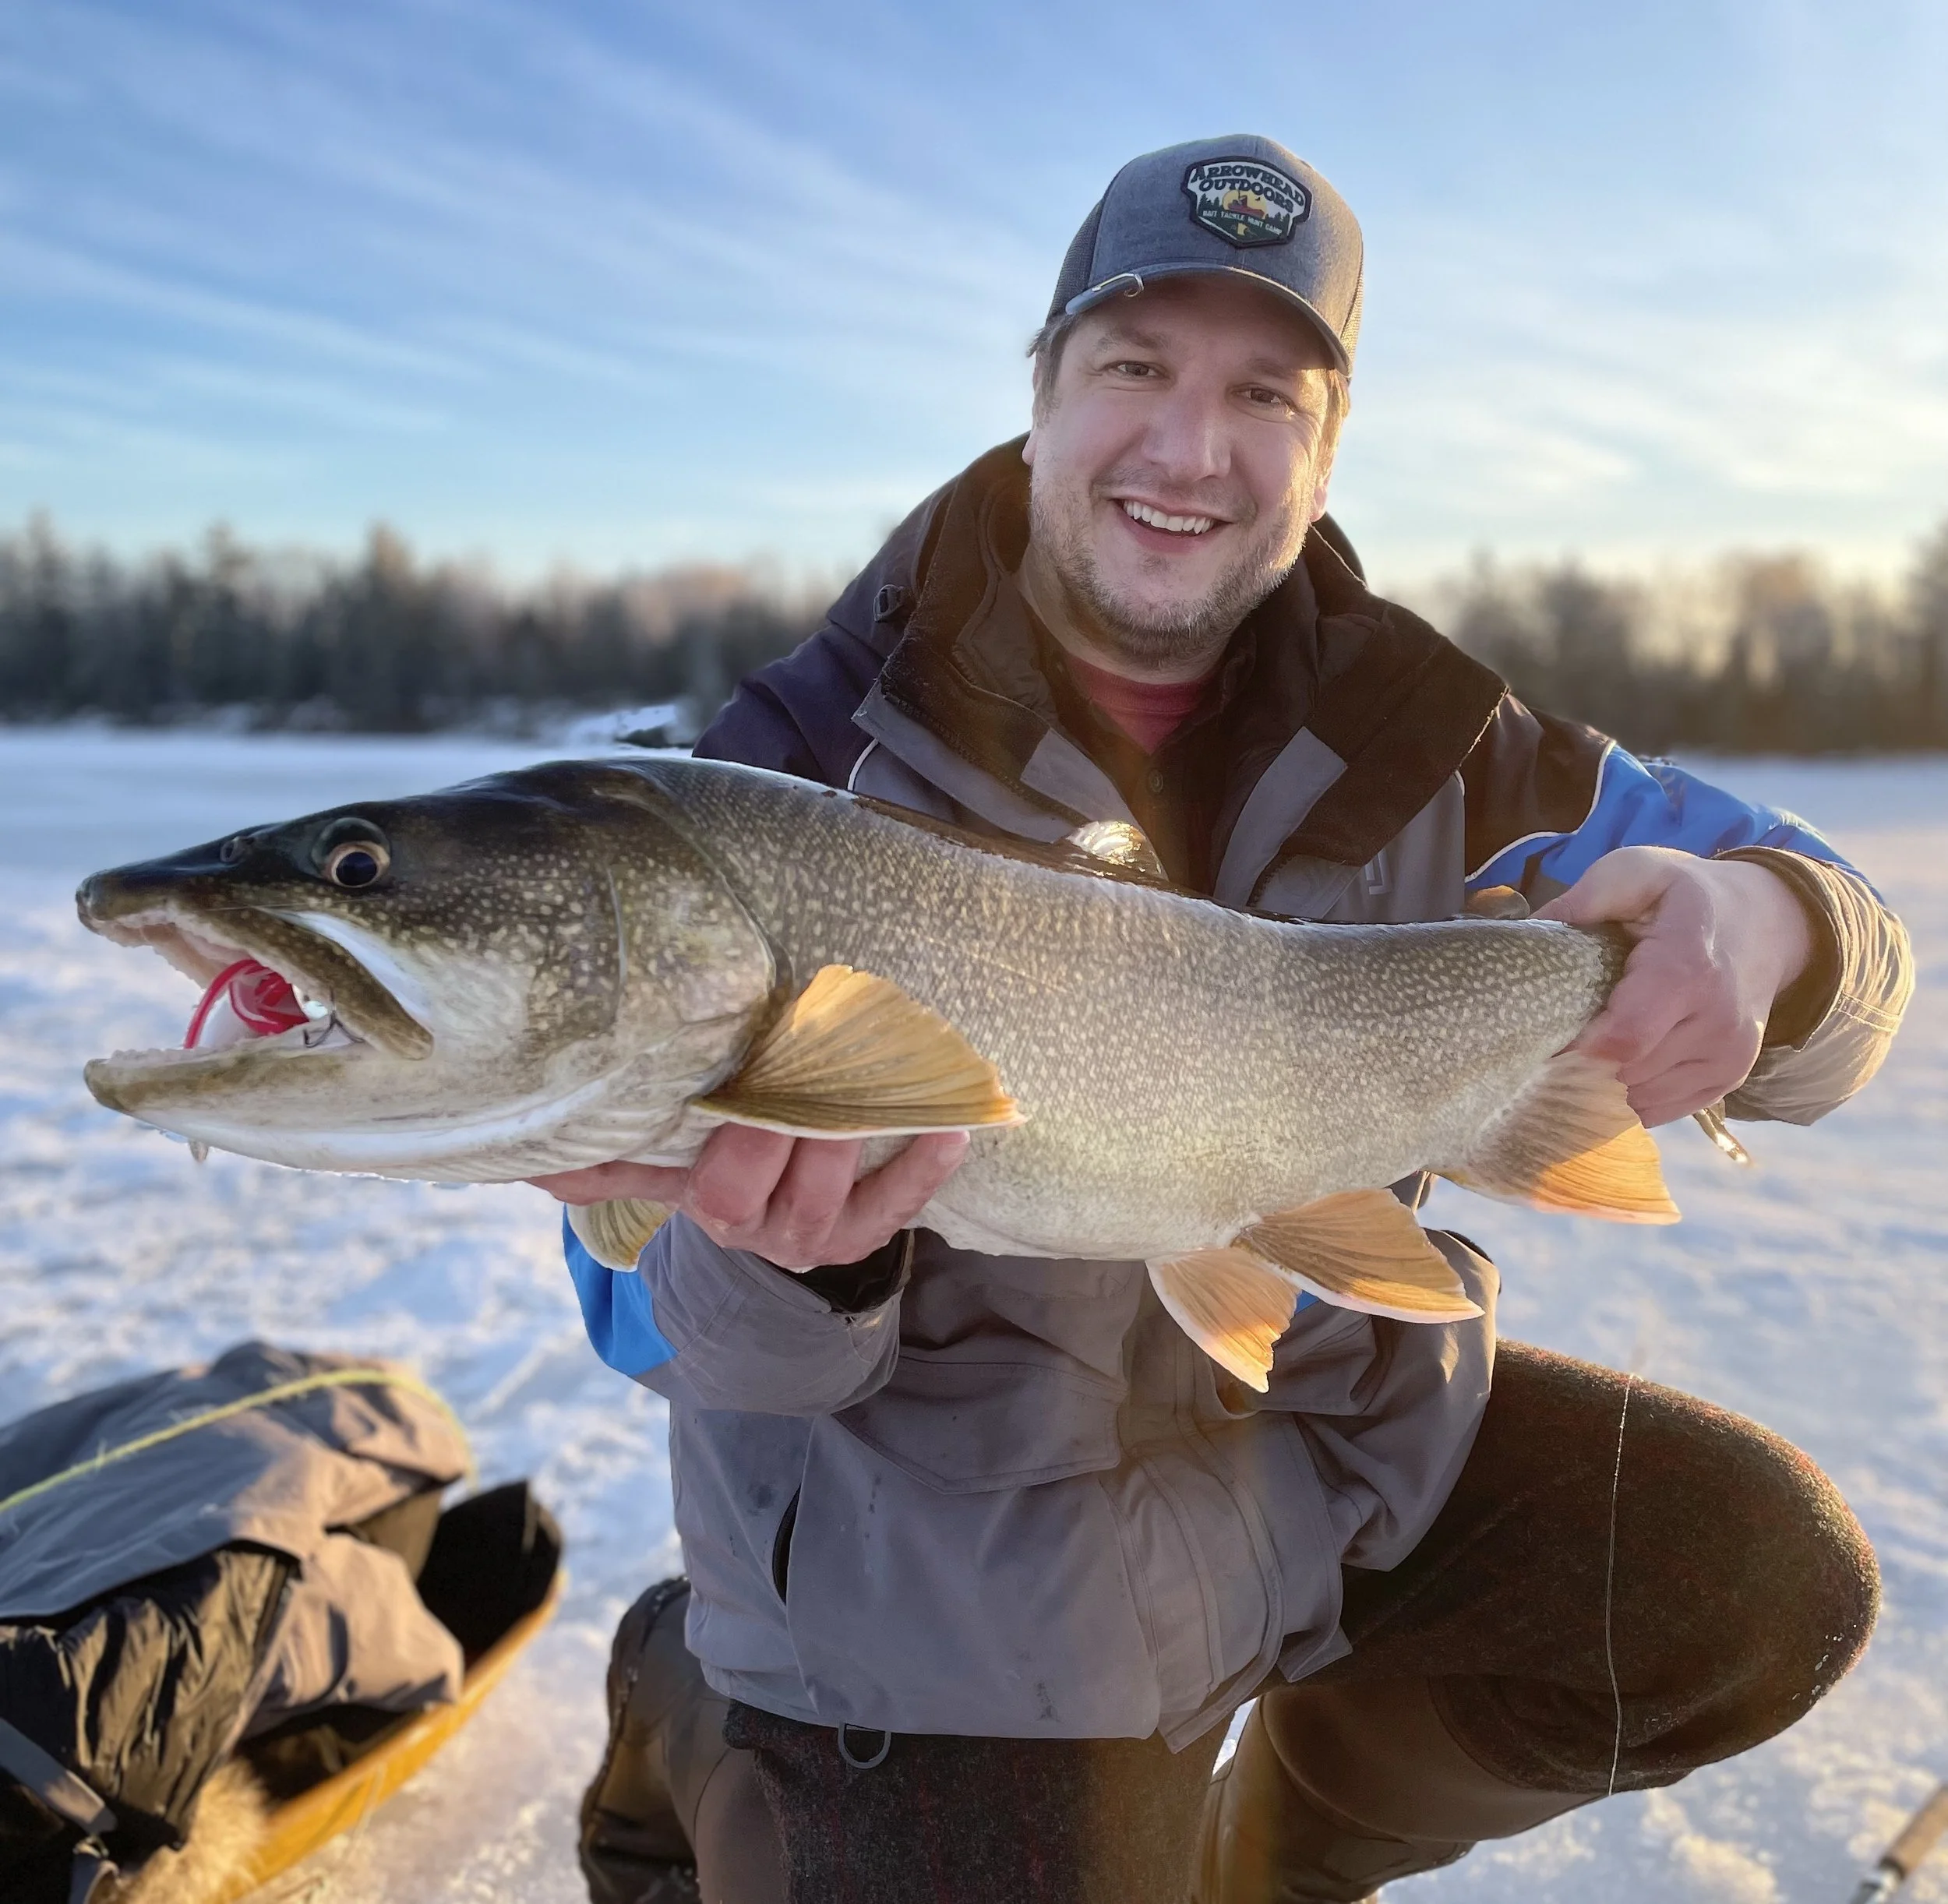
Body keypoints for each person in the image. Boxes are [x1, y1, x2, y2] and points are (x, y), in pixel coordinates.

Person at [542, 136, 1914, 1904]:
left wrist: (1771, 922)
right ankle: (690, 1704)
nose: (1189, 450)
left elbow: (1845, 975)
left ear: (1325, 444)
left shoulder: (1455, 740)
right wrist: (795, 1264)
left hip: (1321, 1473)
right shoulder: (786, 776)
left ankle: (1267, 1859)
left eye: (1262, 392)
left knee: (1752, 1577)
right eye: (1133, 368)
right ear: (1039, 393)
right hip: (933, 1594)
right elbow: (638, 1311)